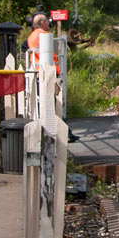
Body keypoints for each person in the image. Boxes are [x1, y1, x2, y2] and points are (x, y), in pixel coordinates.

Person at [25, 13, 78, 142]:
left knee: (50, 104)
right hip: (47, 73)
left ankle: (65, 132)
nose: (49, 23)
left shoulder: (32, 36)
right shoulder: (42, 35)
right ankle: (65, 133)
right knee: (54, 104)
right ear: (42, 22)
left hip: (38, 72)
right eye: (47, 21)